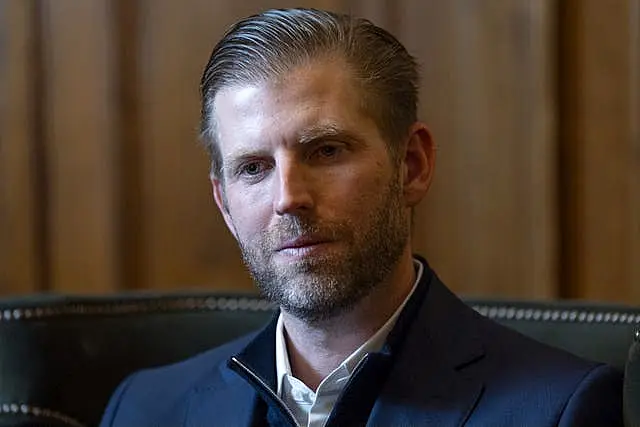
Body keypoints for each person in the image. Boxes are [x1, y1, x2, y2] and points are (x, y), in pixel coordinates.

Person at [100, 8, 622, 427]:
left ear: (411, 166)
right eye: (254, 168)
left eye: (325, 151)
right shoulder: (144, 408)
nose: (289, 197)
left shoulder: (562, 409)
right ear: (225, 205)